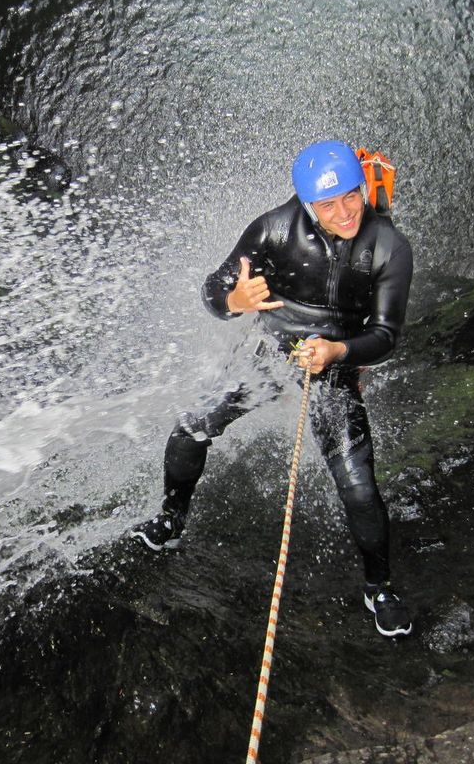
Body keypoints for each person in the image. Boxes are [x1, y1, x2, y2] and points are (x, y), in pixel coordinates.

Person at [131, 140, 414, 638]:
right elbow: (212, 289)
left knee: (358, 485)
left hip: (336, 364)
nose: (345, 212)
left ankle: (380, 586)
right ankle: (171, 520)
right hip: (269, 354)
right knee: (190, 428)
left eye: (351, 197)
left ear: (363, 189)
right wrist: (234, 301)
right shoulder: (274, 230)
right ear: (308, 204)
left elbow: (386, 335)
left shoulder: (389, 246)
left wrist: (338, 352)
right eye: (328, 204)